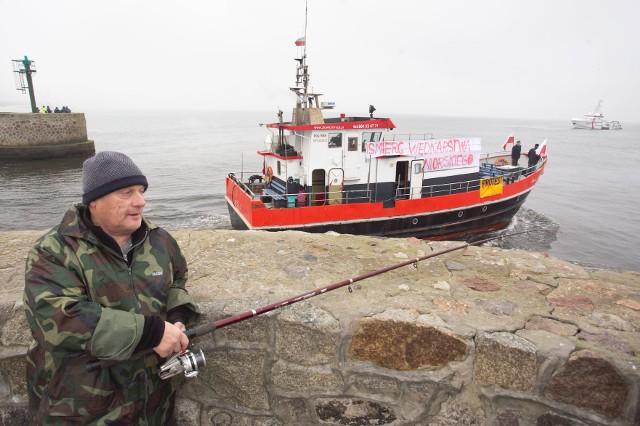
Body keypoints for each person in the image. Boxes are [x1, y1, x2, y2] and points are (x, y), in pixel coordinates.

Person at [23, 151, 201, 424]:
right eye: (127, 193)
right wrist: (151, 333)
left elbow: (177, 280)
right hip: (83, 410)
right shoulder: (53, 250)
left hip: (154, 404)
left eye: (141, 191)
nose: (140, 202)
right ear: (95, 200)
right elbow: (56, 319)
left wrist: (177, 317)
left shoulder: (159, 240)